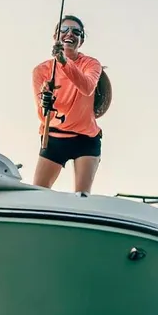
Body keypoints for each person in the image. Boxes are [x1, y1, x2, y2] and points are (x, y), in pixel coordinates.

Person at [31, 15, 106, 195]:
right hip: (54, 138)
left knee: (82, 196)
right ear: (56, 36)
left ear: (81, 40)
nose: (69, 34)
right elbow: (42, 115)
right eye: (64, 30)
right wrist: (45, 101)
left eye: (76, 31)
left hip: (85, 139)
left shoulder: (91, 64)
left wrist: (64, 61)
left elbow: (87, 87)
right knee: (36, 193)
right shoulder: (41, 70)